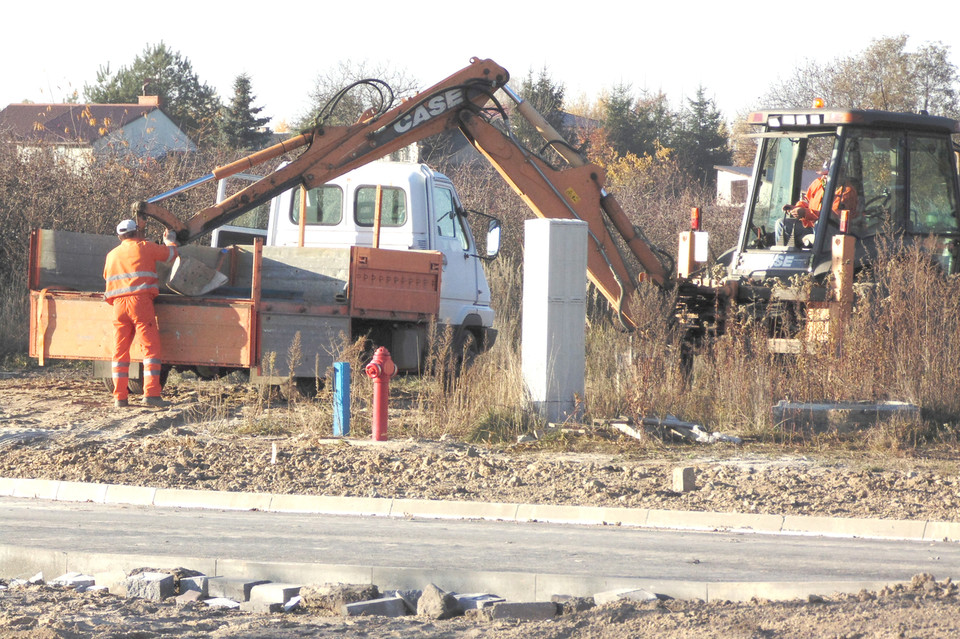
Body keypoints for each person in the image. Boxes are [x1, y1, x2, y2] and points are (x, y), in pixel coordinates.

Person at [103, 219, 179, 408]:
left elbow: (106, 276)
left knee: (120, 352)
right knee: (150, 350)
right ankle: (151, 394)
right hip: (140, 303)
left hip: (118, 306)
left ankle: (120, 397)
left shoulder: (111, 255)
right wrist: (170, 239)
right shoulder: (145, 247)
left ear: (120, 236)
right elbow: (171, 255)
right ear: (137, 232)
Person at [776, 160, 859, 247]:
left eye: (827, 174)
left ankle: (815, 257)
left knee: (819, 224)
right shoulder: (818, 183)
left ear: (840, 173)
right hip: (810, 225)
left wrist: (805, 213)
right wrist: (796, 208)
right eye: (824, 174)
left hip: (832, 231)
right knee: (781, 224)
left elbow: (832, 216)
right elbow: (806, 201)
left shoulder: (847, 191)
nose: (824, 177)